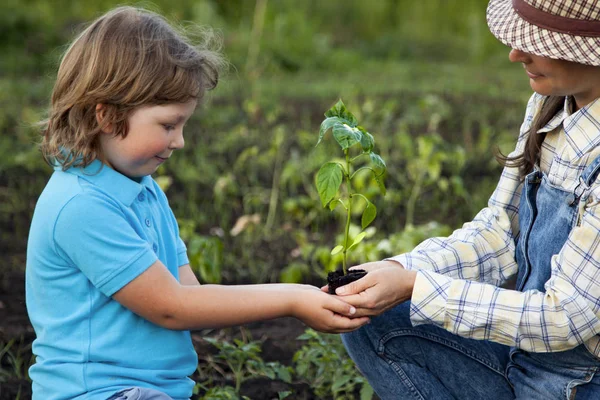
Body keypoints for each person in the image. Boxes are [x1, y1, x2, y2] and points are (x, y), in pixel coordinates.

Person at [25, 6, 369, 400]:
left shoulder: (143, 189)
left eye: (183, 124)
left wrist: (302, 295)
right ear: (106, 116)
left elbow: (190, 293)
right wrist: (292, 298)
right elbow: (173, 307)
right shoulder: (80, 206)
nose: (180, 141)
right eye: (169, 125)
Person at [335, 0, 600, 399]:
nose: (515, 54)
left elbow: (565, 317)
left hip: (577, 380)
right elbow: (497, 234)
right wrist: (398, 270)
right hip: (524, 353)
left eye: (540, 42)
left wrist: (418, 287)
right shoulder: (548, 107)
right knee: (373, 321)